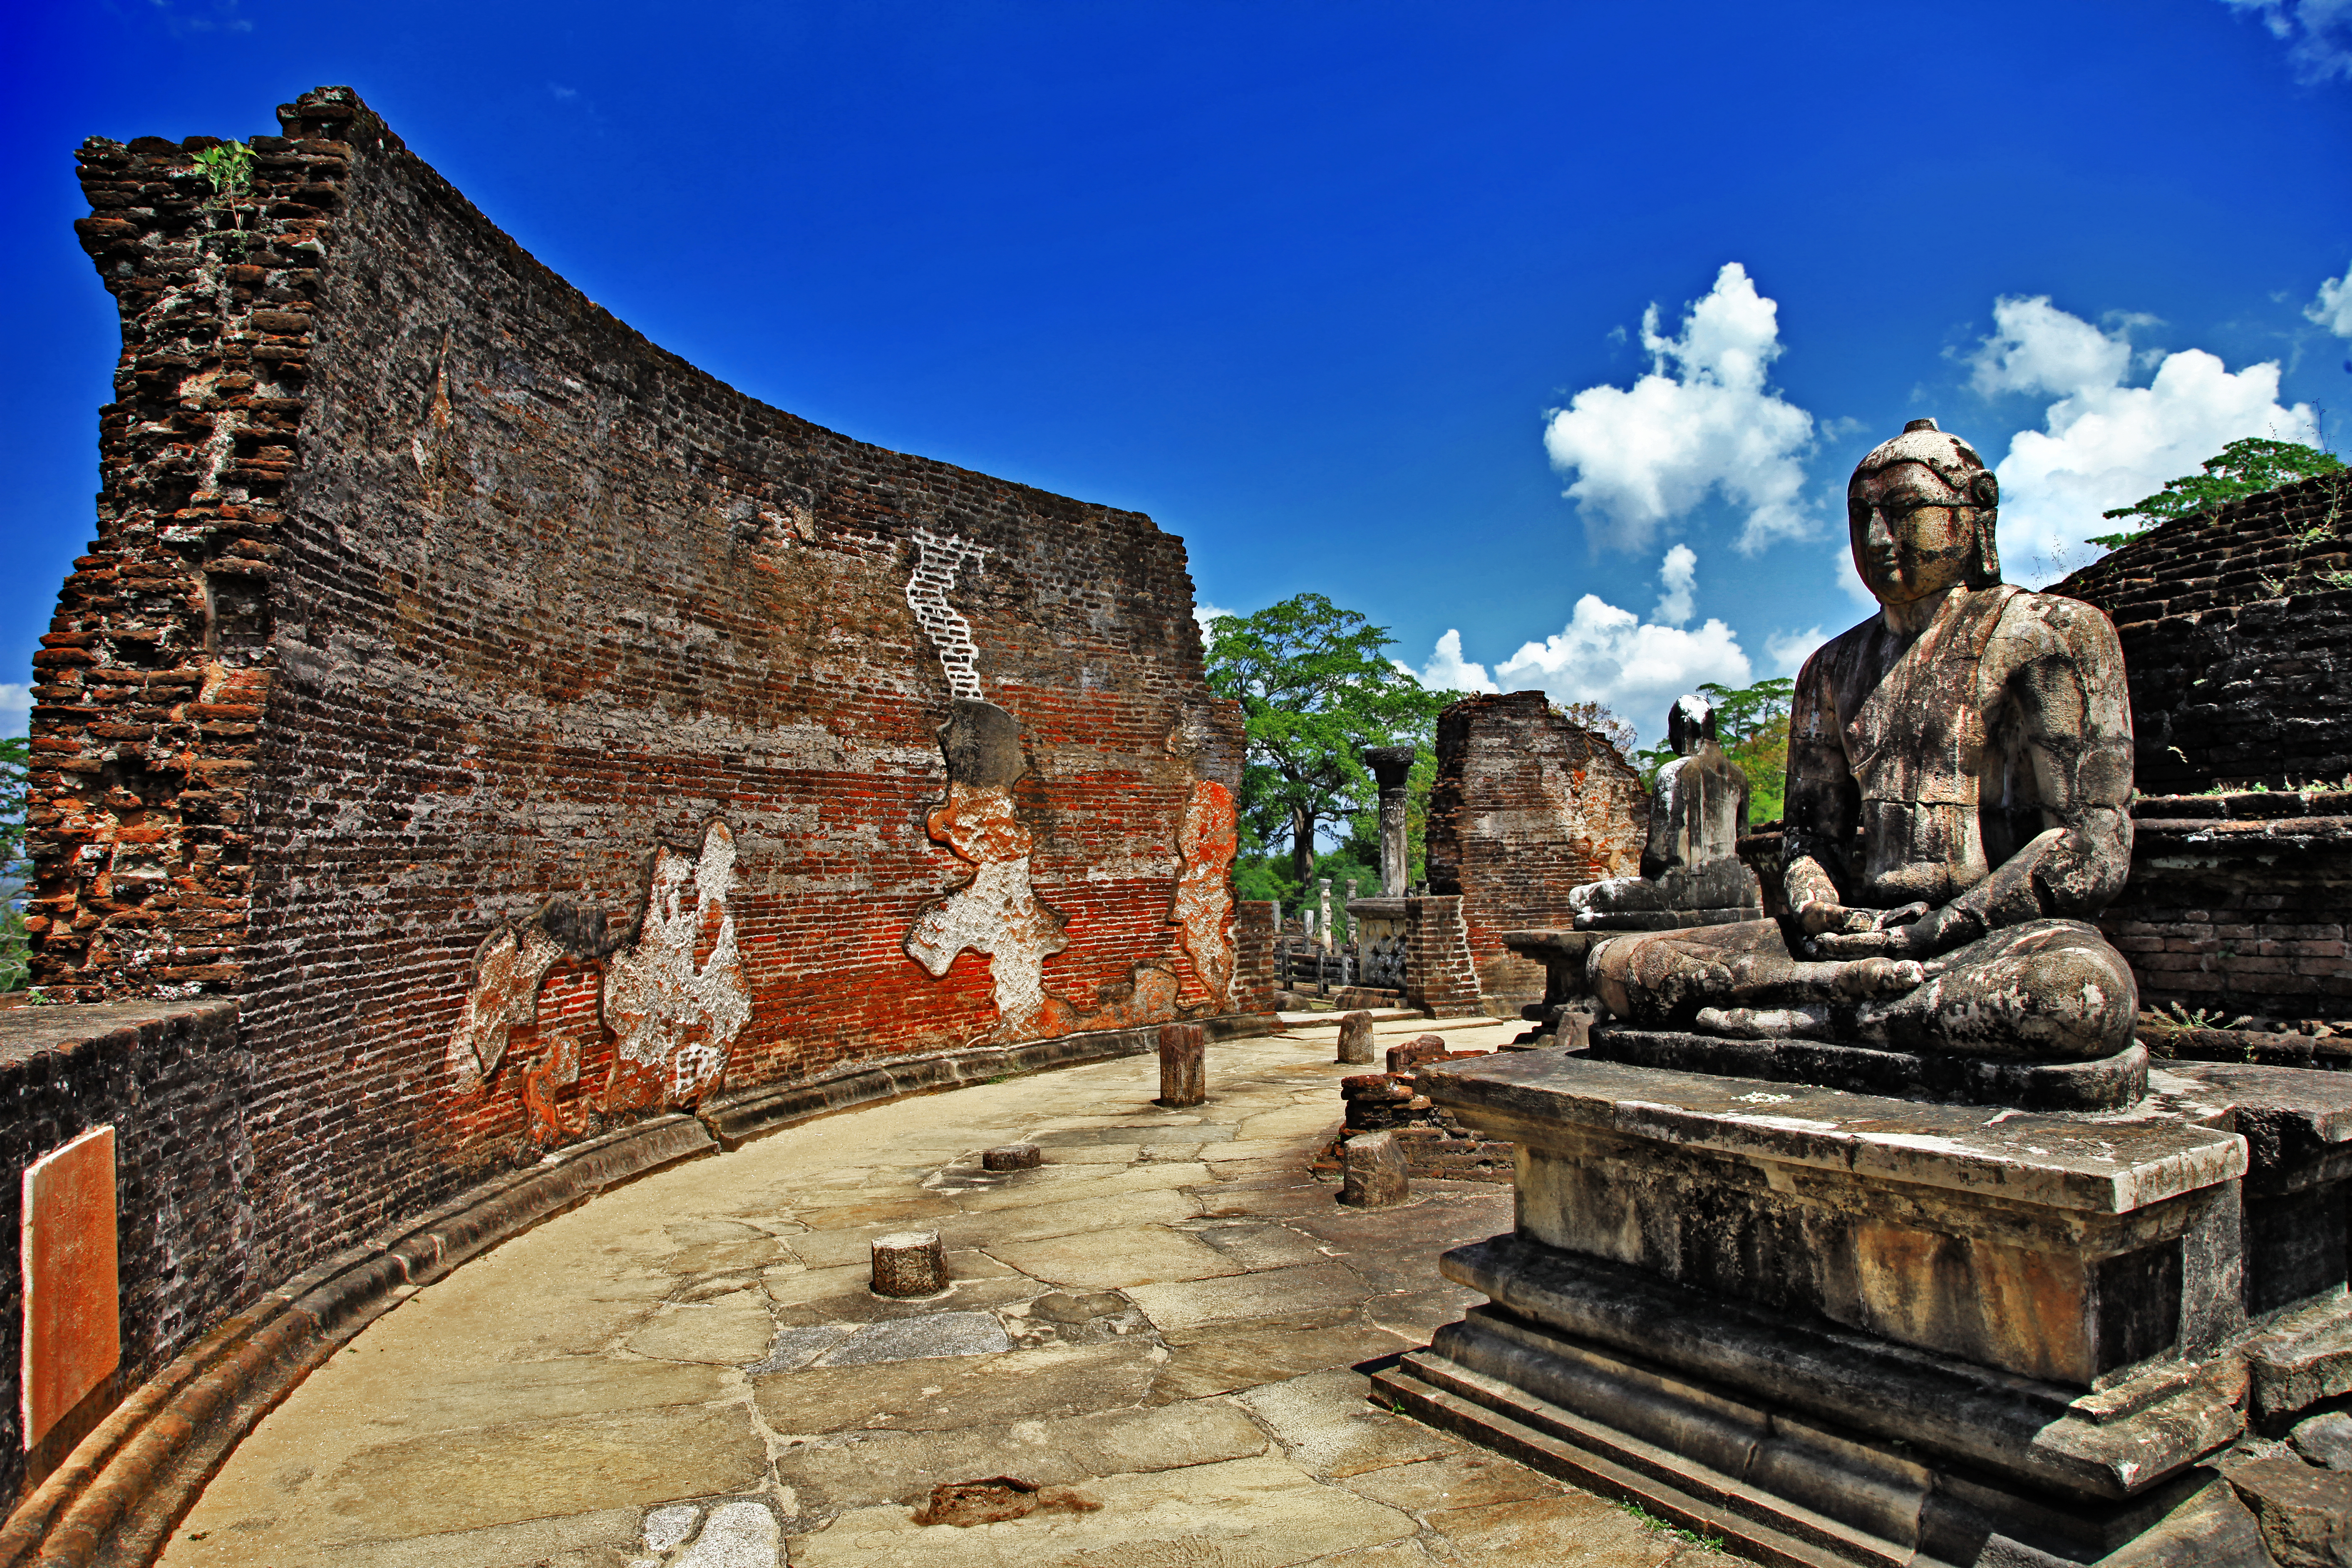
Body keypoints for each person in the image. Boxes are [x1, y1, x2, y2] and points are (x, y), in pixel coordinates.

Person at [1586, 420, 2138, 1060]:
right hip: (1855, 937)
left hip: (1988, 937)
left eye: (1904, 511)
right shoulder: (1831, 667)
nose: (1878, 539)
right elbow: (1810, 838)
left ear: (1976, 511)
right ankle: (1852, 1005)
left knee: (2074, 996)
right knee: (1618, 966)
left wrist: (1934, 931)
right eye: (1862, 517)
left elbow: (2092, 847)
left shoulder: (2051, 634)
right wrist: (1816, 898)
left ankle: (1812, 1015)